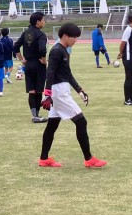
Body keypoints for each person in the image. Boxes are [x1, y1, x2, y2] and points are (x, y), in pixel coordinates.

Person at [37, 22, 106, 169]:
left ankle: (44, 159)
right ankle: (88, 159)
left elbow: (67, 74)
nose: (76, 40)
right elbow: (50, 72)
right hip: (58, 92)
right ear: (65, 36)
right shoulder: (57, 50)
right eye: (73, 37)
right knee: (81, 122)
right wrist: (47, 94)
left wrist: (79, 90)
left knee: (52, 125)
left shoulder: (64, 50)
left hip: (60, 90)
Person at [15, 12, 49, 123]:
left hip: (28, 64)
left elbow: (15, 46)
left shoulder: (26, 33)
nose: (44, 22)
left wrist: (22, 59)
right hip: (38, 64)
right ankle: (37, 115)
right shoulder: (41, 34)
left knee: (31, 91)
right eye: (43, 20)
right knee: (38, 91)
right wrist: (44, 60)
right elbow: (42, 49)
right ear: (38, 22)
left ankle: (34, 115)